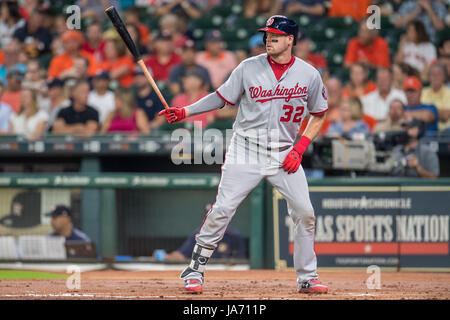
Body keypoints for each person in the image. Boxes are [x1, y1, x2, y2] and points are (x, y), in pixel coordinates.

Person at [159, 15, 329, 294]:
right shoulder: (248, 67)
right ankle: (196, 269)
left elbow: (319, 114)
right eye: (267, 35)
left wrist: (299, 149)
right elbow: (221, 97)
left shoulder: (309, 74)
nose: (268, 40)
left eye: (275, 36)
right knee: (223, 209)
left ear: (290, 40)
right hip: (246, 148)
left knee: (305, 212)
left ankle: (307, 277)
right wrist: (185, 111)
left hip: (284, 152)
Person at [165, 203, 247, 262]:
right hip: (204, 270)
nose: (212, 219)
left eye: (215, 216)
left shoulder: (232, 235)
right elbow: (181, 255)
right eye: (209, 216)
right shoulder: (197, 234)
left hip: (225, 272)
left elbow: (240, 260)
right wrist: (166, 256)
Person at [421, 62, 450, 132]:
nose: (436, 77)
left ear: (444, 77)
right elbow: (415, 110)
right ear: (429, 77)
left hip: (445, 133)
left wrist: (426, 114)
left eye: (439, 74)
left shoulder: (449, 92)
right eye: (433, 74)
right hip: (425, 131)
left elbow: (446, 115)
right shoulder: (422, 92)